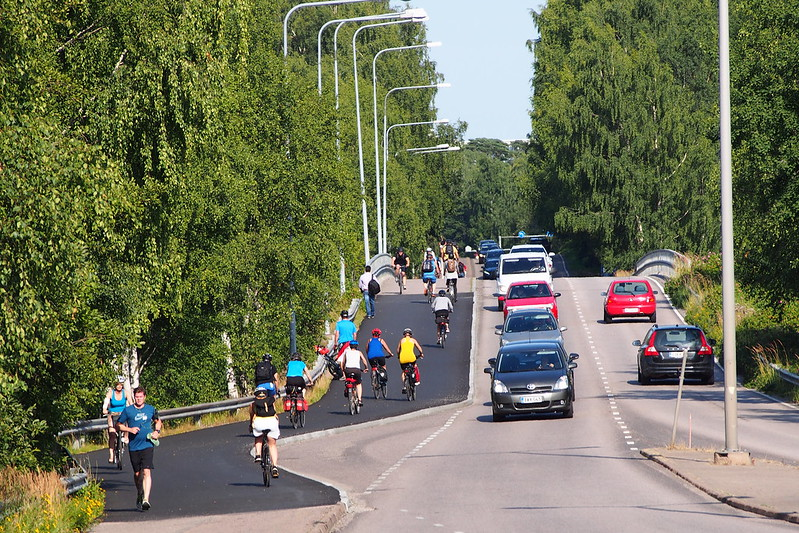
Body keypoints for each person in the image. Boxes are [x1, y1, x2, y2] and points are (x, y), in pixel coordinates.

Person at [117, 386, 162, 512]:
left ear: (144, 397)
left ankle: (146, 499)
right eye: (136, 397)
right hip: (134, 446)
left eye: (141, 397)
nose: (139, 399)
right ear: (134, 397)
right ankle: (139, 493)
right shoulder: (128, 411)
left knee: (147, 471)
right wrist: (129, 429)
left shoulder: (151, 409)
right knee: (137, 474)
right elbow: (118, 425)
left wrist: (157, 431)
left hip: (147, 444)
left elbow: (158, 421)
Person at [249, 385, 280, 478]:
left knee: (258, 437)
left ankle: (258, 455)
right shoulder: (271, 401)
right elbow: (275, 413)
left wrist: (251, 425)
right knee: (272, 444)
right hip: (272, 422)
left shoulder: (253, 404)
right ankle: (274, 466)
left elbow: (252, 416)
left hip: (259, 422)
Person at [102, 377, 132, 463]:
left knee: (127, 422)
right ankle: (111, 455)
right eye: (117, 384)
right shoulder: (111, 393)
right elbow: (106, 401)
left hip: (122, 413)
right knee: (112, 434)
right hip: (113, 414)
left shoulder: (125, 393)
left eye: (120, 384)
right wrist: (105, 408)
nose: (119, 386)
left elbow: (130, 401)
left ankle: (126, 437)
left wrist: (132, 408)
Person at [339, 339, 369, 406]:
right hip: (356, 370)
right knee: (358, 384)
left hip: (348, 370)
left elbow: (343, 362)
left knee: (347, 379)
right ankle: (360, 400)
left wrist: (343, 369)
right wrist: (366, 368)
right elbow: (364, 360)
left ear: (350, 346)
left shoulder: (346, 352)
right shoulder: (359, 352)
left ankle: (347, 389)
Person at [396, 328, 423, 392]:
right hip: (411, 358)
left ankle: (405, 386)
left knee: (404, 372)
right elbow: (420, 349)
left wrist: (398, 356)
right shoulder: (413, 340)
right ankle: (416, 379)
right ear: (410, 334)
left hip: (402, 359)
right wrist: (421, 354)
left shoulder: (401, 340)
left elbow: (397, 350)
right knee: (415, 366)